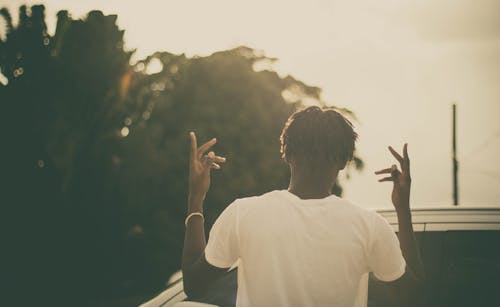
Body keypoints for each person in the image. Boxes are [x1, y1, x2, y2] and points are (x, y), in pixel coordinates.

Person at [181, 106, 425, 307]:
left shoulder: (242, 214)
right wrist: (403, 208)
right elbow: (413, 298)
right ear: (343, 161)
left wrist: (196, 197)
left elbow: (194, 285)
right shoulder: (370, 226)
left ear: (286, 153)